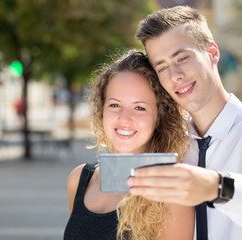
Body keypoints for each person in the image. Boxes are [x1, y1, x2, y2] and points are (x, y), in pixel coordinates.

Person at [127, 5, 242, 240]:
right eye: (162, 67)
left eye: (182, 58)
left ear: (212, 52)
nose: (175, 75)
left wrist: (215, 186)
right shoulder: (171, 143)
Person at [63, 50, 194, 240]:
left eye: (139, 107)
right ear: (102, 109)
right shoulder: (79, 180)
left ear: (159, 117)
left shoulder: (171, 193)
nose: (124, 118)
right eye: (115, 105)